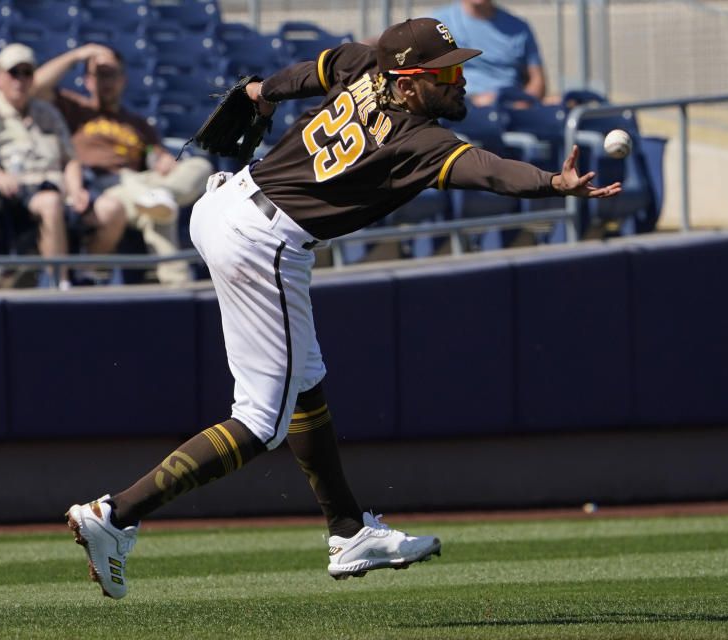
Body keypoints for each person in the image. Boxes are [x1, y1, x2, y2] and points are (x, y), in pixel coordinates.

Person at [65, 17, 620, 600]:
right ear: (406, 84)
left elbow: (305, 75)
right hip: (263, 242)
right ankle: (116, 513)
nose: (458, 81)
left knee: (305, 382)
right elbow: (484, 169)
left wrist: (261, 92)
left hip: (230, 203)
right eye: (445, 73)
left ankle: (348, 531)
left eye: (457, 68)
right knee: (260, 421)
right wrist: (551, 184)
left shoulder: (363, 62)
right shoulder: (417, 138)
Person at [31, 43, 212, 284]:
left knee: (200, 166)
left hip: (142, 181)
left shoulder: (137, 123)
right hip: (105, 184)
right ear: (87, 80)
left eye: (112, 74)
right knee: (158, 210)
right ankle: (178, 282)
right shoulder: (75, 109)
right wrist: (79, 54)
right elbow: (35, 88)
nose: (107, 81)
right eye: (100, 75)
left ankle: (160, 194)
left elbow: (153, 154)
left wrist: (164, 161)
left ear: (123, 80)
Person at [0, 43, 126, 289]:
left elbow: (69, 159)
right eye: (14, 73)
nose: (21, 80)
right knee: (50, 202)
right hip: (16, 195)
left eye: (27, 73)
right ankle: (61, 284)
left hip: (60, 186)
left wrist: (77, 189)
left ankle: (84, 272)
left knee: (113, 209)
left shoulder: (46, 112)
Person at [432, 1, 546, 107]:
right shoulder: (438, 26)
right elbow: (425, 79)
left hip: (509, 112)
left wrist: (523, 104)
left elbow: (537, 79)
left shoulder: (519, 28)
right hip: (460, 110)